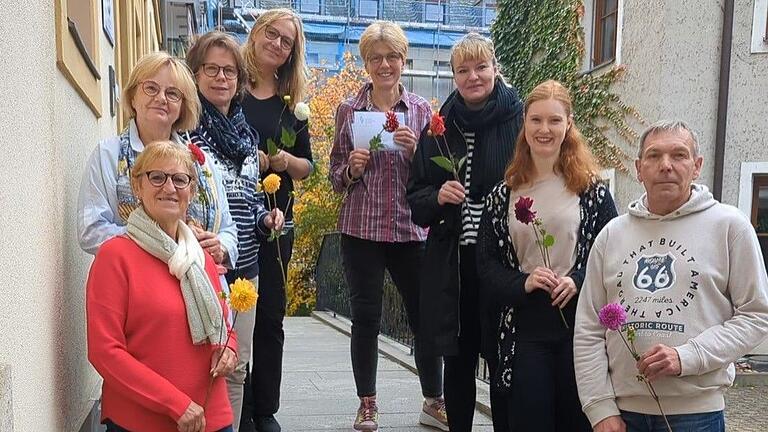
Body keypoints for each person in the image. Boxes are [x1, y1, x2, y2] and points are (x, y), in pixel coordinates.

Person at [574, 120, 768, 432]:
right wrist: (599, 408)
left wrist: (688, 356)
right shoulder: (612, 235)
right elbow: (588, 328)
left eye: (679, 155)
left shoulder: (729, 226)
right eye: (654, 156)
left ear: (697, 166)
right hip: (621, 417)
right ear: (639, 168)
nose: (665, 165)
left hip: (697, 417)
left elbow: (757, 315)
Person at [477, 80, 617, 431]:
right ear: (524, 124)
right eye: (536, 120)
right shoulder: (502, 196)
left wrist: (577, 279)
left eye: (554, 120)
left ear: (568, 124)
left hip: (580, 329)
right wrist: (524, 282)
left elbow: (612, 256)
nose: (544, 129)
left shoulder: (592, 191)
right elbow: (486, 265)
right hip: (524, 329)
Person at [329, 21, 446, 432]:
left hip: (411, 229)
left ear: (403, 59)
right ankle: (367, 404)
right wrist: (351, 170)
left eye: (392, 56)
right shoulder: (349, 110)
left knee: (423, 316)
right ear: (365, 63)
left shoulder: (422, 111)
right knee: (366, 317)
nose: (384, 65)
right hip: (361, 228)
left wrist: (420, 153)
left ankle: (434, 400)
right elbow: (333, 176)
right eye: (376, 57)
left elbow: (436, 177)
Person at [407, 32, 524, 432]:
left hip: (505, 263)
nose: (473, 76)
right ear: (454, 75)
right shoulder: (438, 127)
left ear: (495, 68)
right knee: (457, 359)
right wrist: (438, 194)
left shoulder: (520, 120)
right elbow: (415, 199)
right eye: (463, 70)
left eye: (481, 67)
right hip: (454, 267)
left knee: (502, 358)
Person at [86, 141, 238, 432]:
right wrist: (175, 403)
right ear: (137, 186)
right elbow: (104, 351)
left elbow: (223, 327)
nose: (169, 188)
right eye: (157, 177)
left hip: (211, 416)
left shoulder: (201, 258)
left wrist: (227, 350)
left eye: (180, 179)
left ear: (191, 192)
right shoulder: (115, 256)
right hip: (141, 421)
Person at [186, 31, 285, 432]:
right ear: (195, 75)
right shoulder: (186, 130)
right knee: (197, 364)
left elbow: (250, 197)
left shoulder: (247, 136)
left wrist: (266, 218)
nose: (221, 78)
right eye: (211, 69)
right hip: (200, 268)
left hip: (245, 266)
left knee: (237, 365)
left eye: (229, 71)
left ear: (241, 79)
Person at [77, 52, 238, 277]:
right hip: (134, 286)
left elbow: (229, 230)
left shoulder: (202, 164)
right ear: (133, 96)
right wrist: (164, 244)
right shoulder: (109, 155)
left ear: (183, 107)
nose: (161, 98)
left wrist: (221, 246)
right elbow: (91, 230)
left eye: (173, 93)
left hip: (200, 289)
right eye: (151, 88)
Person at [240, 9, 312, 432]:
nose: (277, 44)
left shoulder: (292, 105)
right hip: (232, 217)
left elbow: (310, 168)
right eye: (273, 34)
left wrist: (286, 160)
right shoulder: (232, 85)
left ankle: (265, 410)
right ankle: (238, 404)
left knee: (270, 315)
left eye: (287, 41)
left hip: (277, 220)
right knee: (234, 313)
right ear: (257, 32)